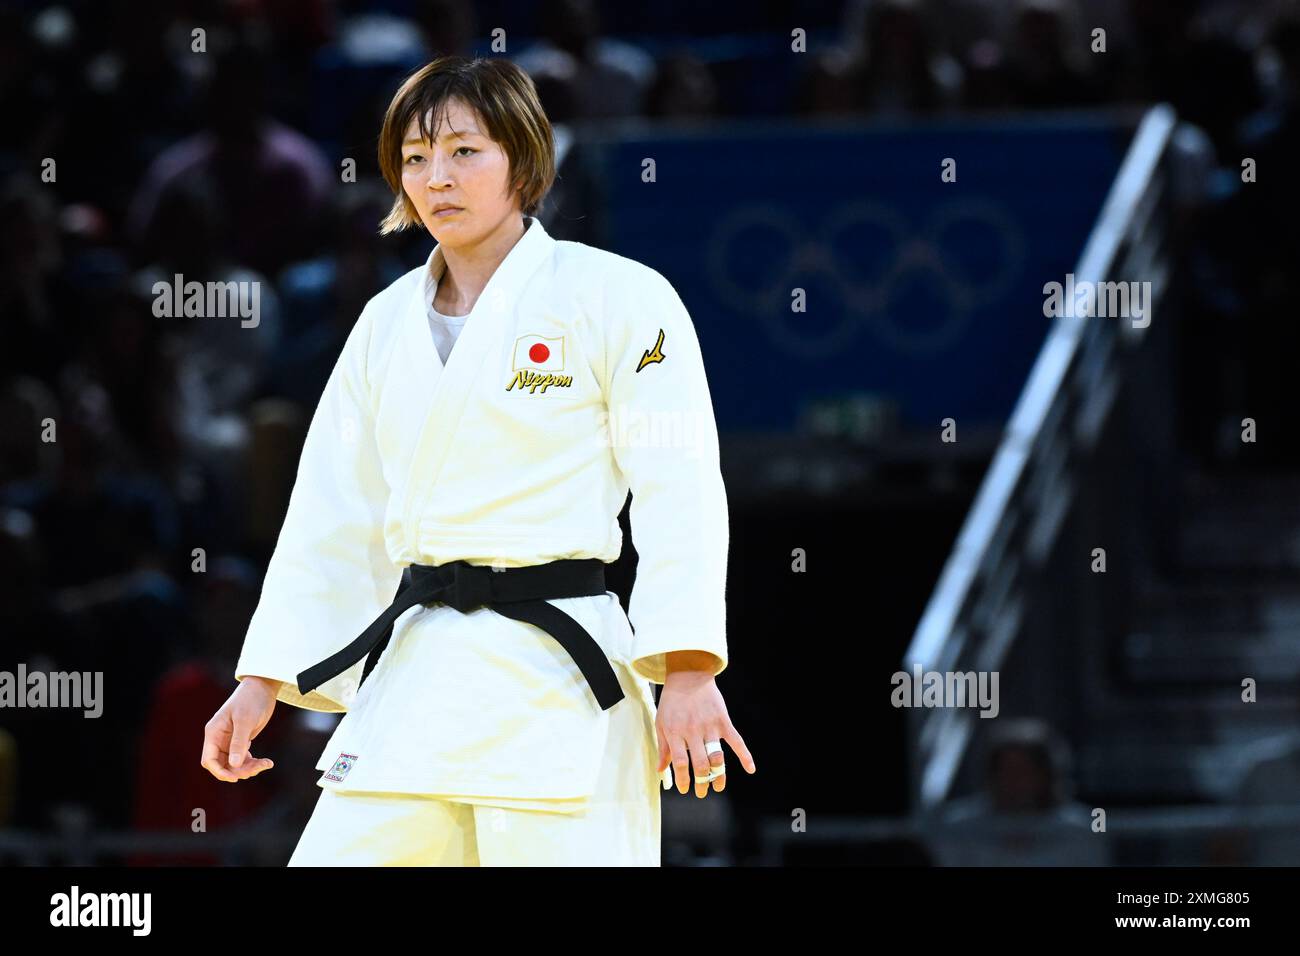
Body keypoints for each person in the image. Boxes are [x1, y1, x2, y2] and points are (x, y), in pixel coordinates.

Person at [200, 55, 754, 866]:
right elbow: (333, 508)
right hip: (417, 673)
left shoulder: (617, 297)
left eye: (465, 151)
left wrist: (689, 667)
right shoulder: (384, 324)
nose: (437, 178)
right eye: (416, 158)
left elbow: (681, 490)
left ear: (522, 159)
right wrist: (264, 679)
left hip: (560, 678)